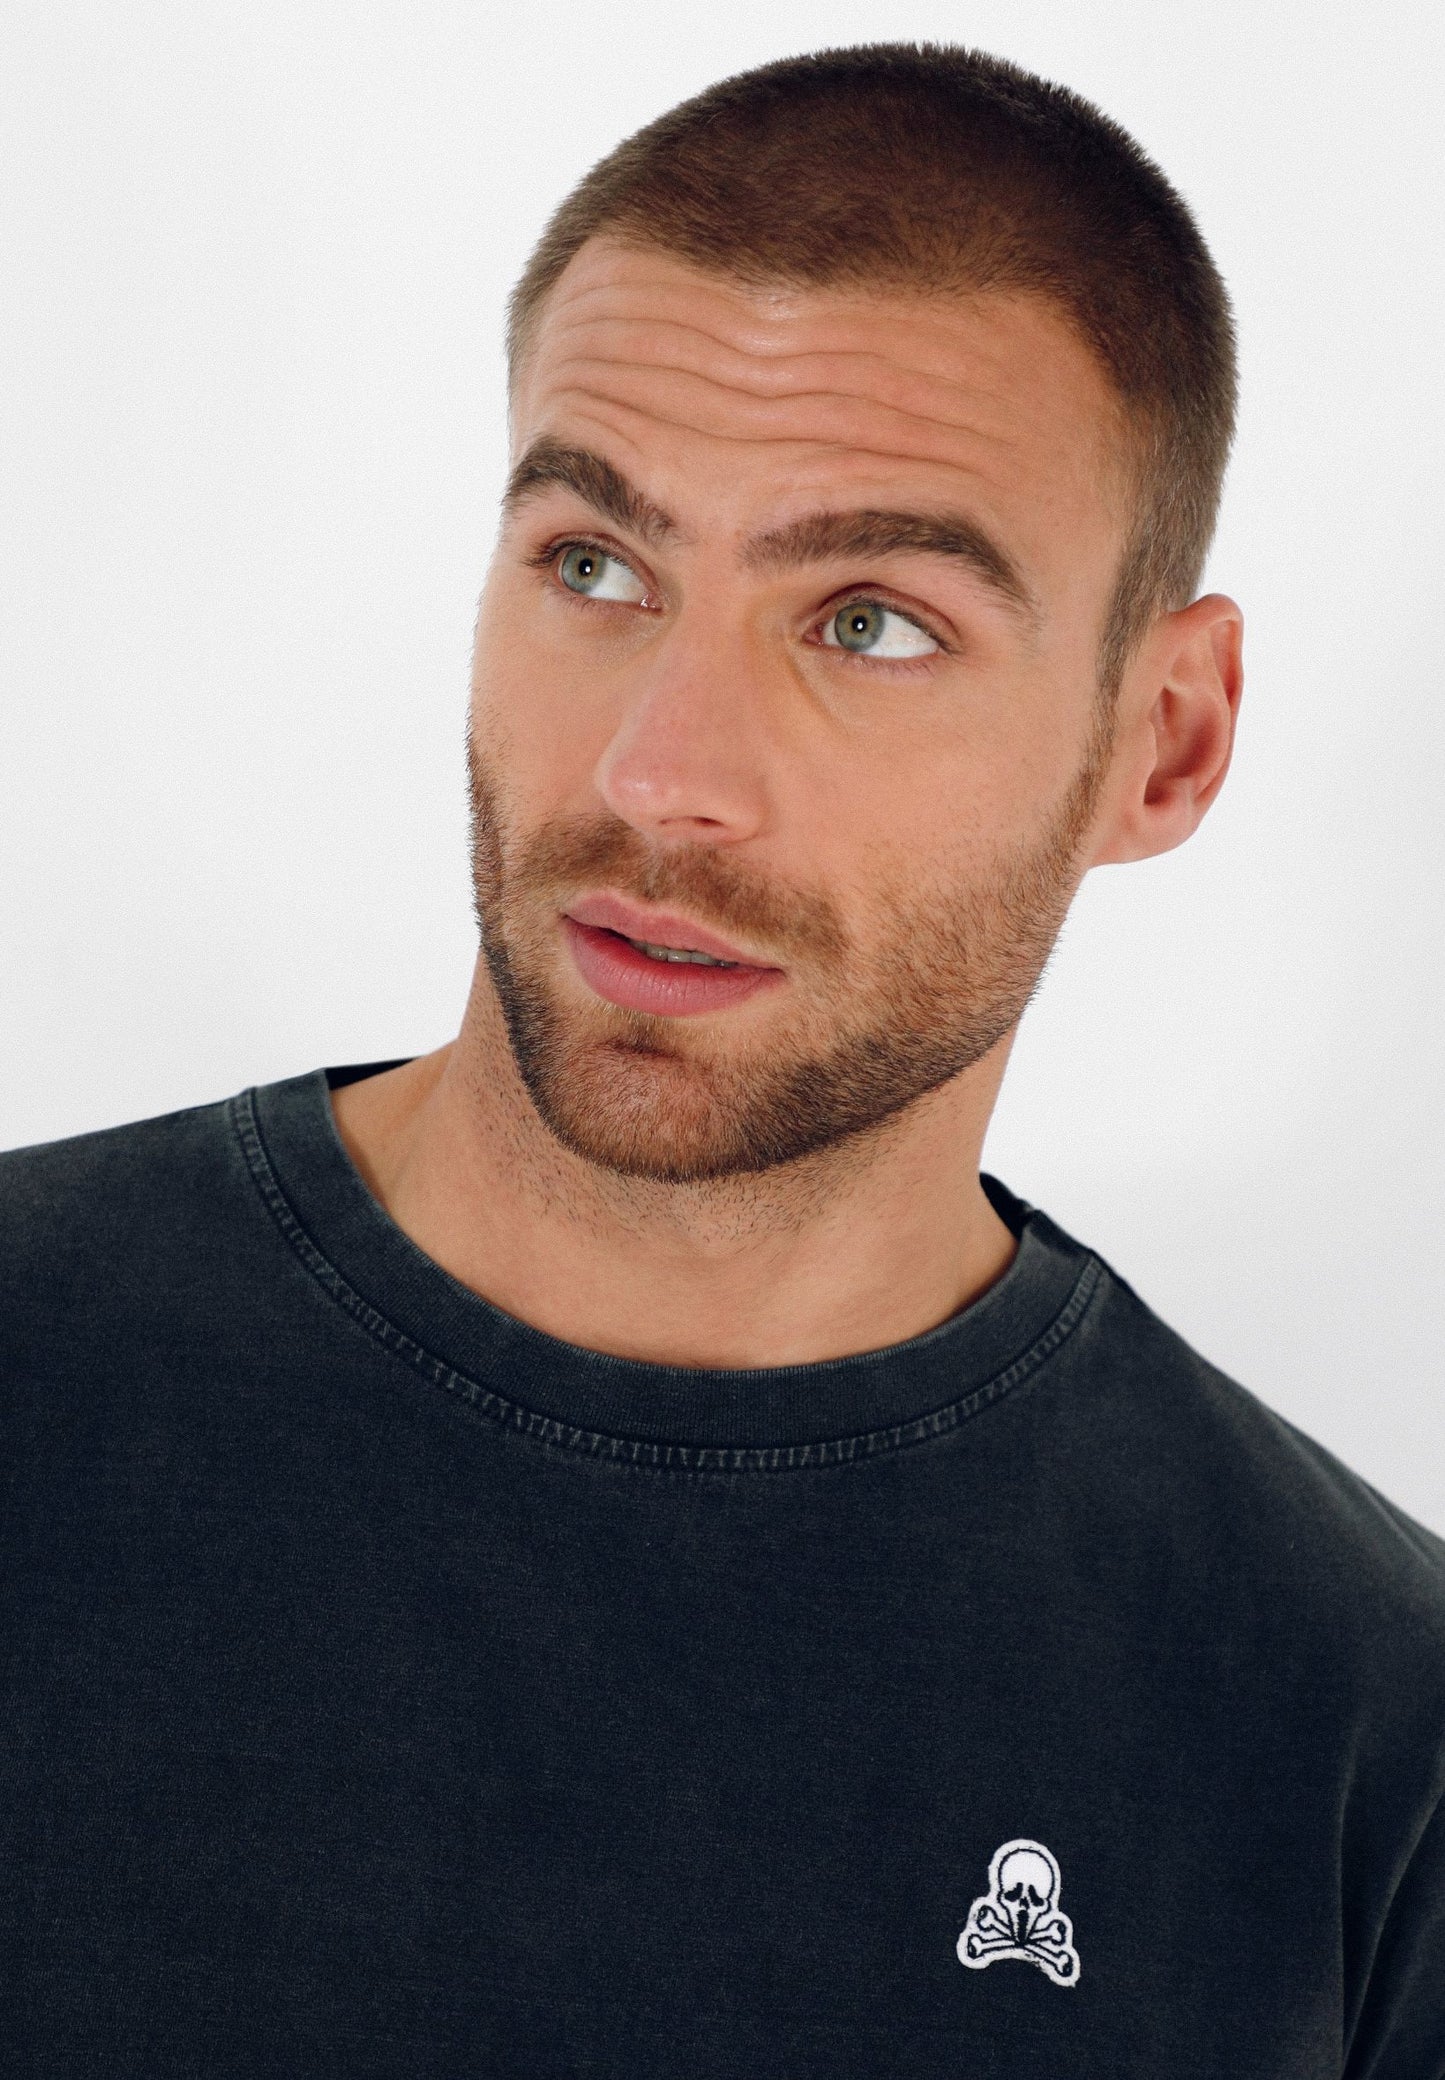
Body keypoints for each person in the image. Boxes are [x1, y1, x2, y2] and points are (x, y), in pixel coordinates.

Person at [2, 41, 1441, 2078]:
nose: (658, 773)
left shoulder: (1364, 1735)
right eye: (595, 566)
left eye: (870, 620)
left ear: (1166, 740)